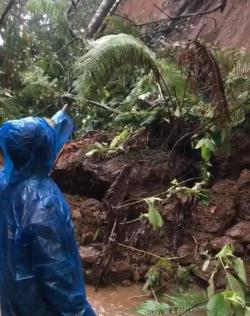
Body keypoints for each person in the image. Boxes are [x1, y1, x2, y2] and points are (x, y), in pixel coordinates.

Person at [0, 106, 96, 316]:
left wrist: (57, 120)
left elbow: (28, 143)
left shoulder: (6, 183)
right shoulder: (44, 203)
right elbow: (57, 277)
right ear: (44, 147)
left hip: (12, 301)